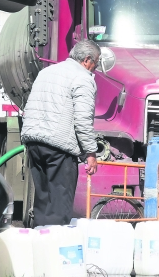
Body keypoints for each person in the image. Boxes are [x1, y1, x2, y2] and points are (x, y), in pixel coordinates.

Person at [20, 39, 100, 226]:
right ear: (87, 60)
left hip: (34, 143)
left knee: (43, 201)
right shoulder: (82, 78)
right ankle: (54, 251)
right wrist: (90, 152)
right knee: (59, 205)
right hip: (59, 147)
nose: (95, 68)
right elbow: (82, 120)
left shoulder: (46, 72)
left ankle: (38, 245)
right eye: (96, 62)